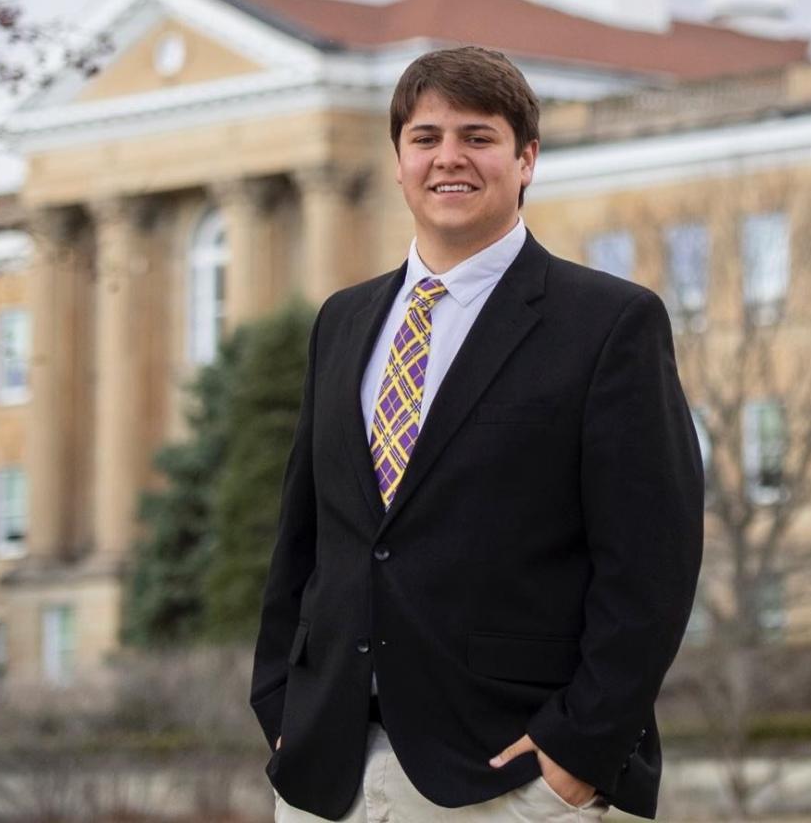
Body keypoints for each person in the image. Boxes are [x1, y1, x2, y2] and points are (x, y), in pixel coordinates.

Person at [250, 46, 704, 822]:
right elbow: (309, 536)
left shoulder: (607, 324)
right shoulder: (344, 321)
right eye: (425, 138)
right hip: (328, 774)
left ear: (526, 159)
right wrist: (280, 705)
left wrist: (579, 752)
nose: (448, 158)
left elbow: (651, 562)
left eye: (478, 137)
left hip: (509, 776)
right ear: (398, 161)